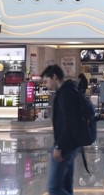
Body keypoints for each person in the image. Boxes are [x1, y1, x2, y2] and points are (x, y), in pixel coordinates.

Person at [42, 64, 83, 195]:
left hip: (65, 145)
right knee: (66, 184)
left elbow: (69, 123)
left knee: (54, 188)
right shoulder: (68, 90)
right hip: (71, 143)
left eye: (46, 81)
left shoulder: (65, 93)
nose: (46, 85)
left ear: (54, 77)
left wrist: (59, 146)